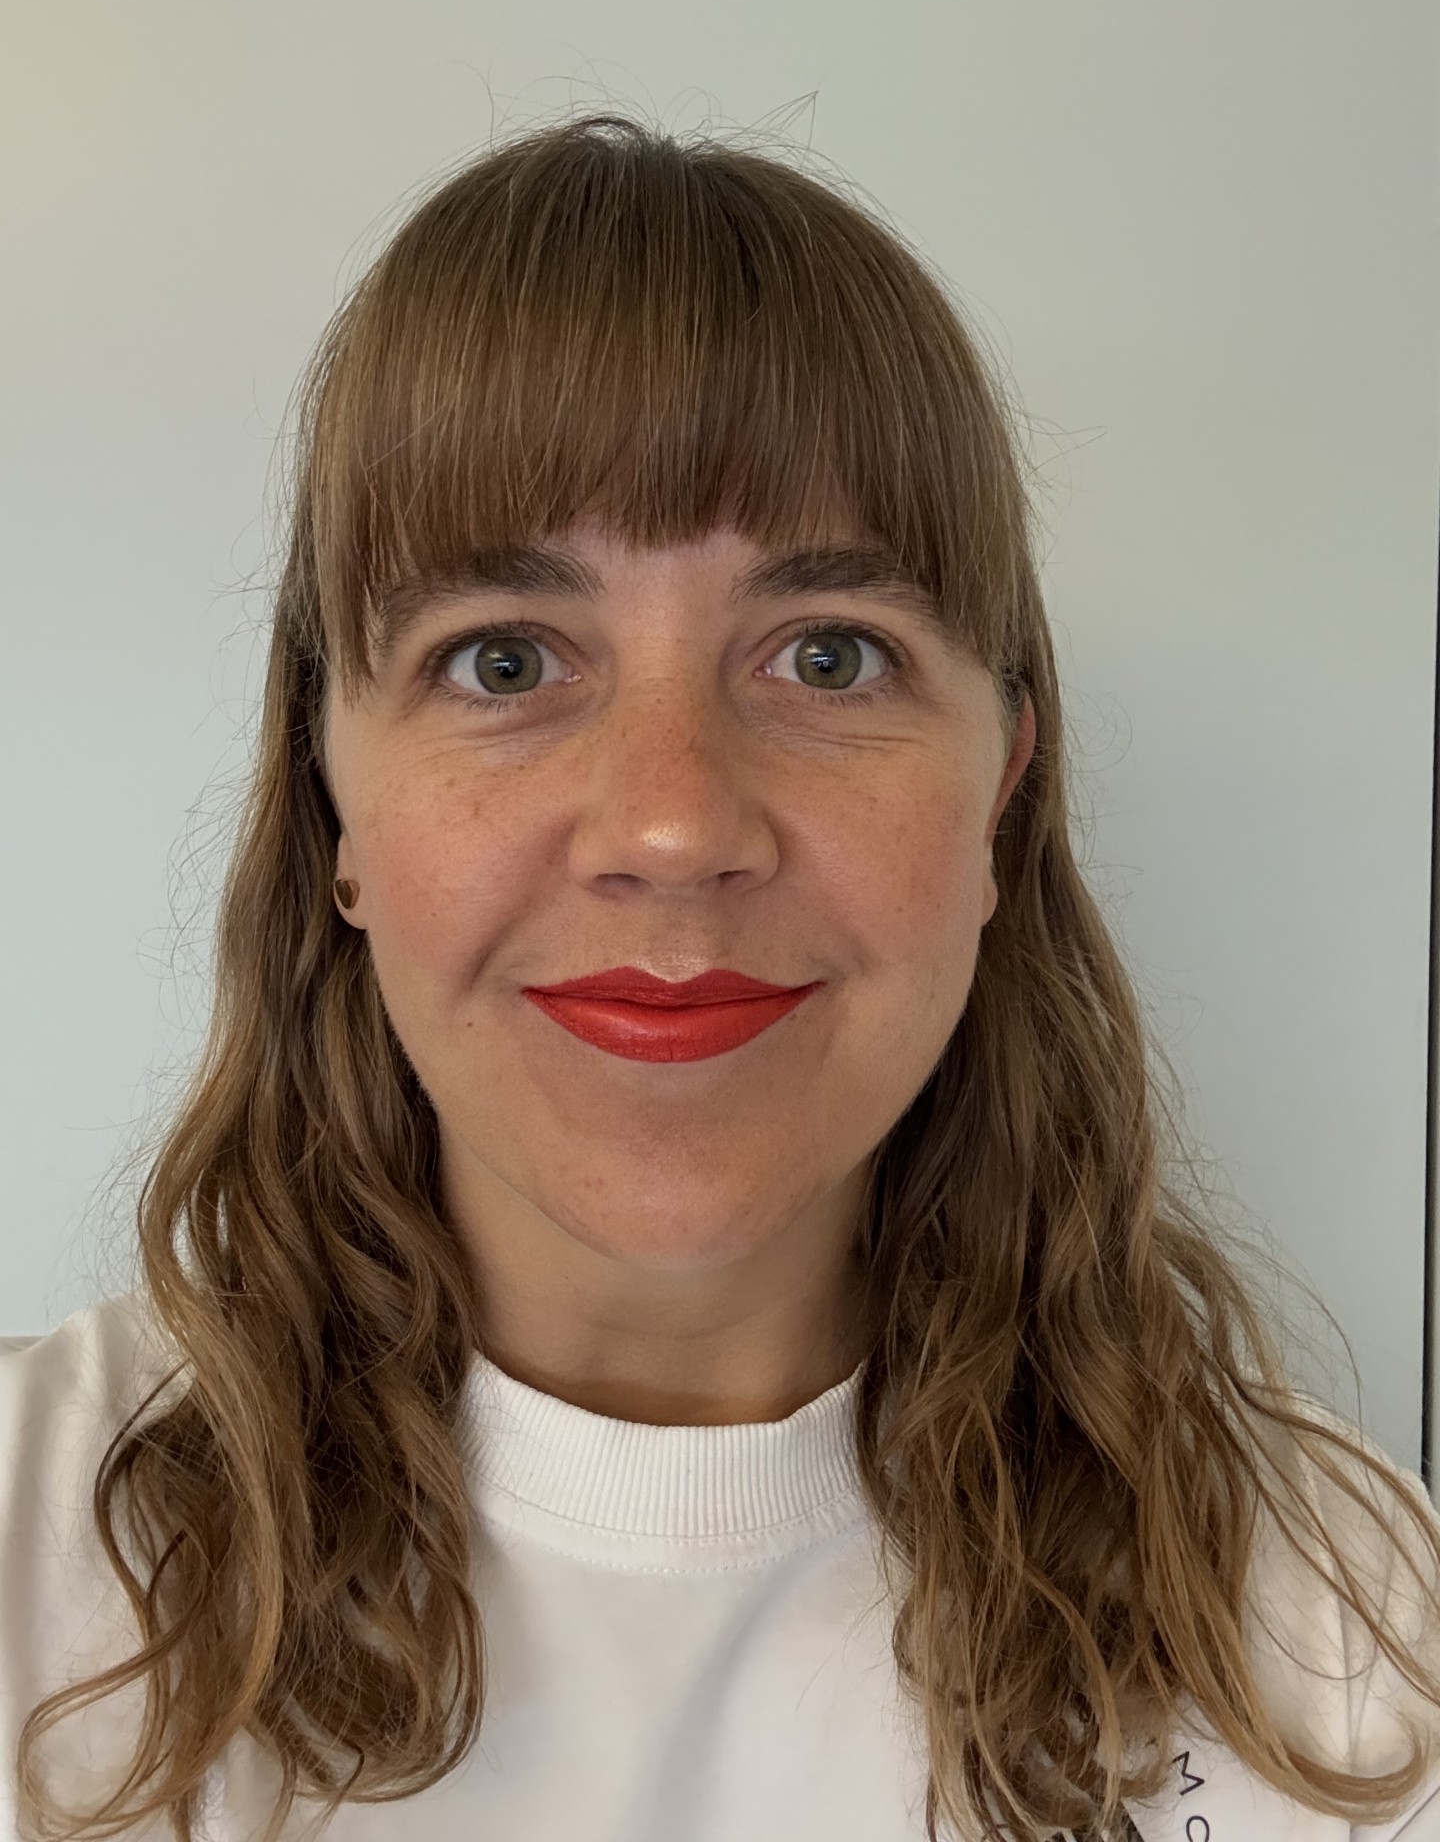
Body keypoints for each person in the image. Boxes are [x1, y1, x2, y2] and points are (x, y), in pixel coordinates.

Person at [3, 111, 1439, 1842]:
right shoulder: (31, 1561)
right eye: (504, 660)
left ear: (1000, 794)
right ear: (336, 807)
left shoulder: (1349, 1643)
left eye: (828, 658)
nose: (674, 826)